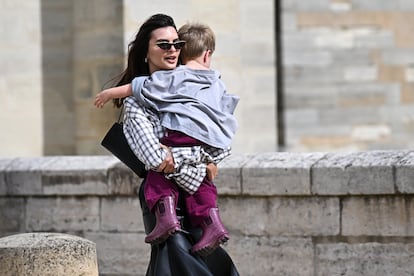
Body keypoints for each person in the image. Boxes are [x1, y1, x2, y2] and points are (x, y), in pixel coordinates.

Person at [97, 14, 240, 275]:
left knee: (202, 265)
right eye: (163, 45)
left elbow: (222, 142)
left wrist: (203, 158)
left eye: (177, 43)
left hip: (196, 201)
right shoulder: (136, 103)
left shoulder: (194, 91)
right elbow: (156, 159)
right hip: (164, 200)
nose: (173, 50)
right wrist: (201, 162)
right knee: (178, 261)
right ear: (146, 53)